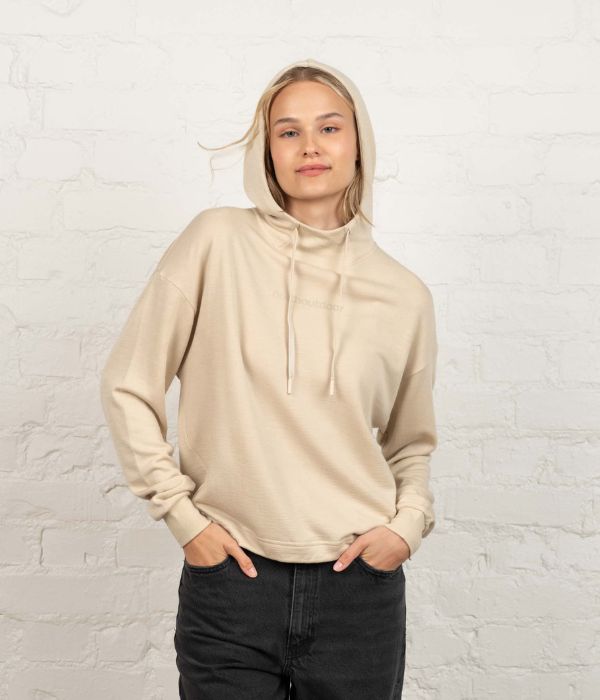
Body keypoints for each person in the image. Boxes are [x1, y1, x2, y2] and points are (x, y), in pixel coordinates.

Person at [100, 57, 438, 699]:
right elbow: (127, 383)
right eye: (288, 131)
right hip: (232, 582)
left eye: (329, 127)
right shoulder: (216, 242)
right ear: (267, 151)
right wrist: (184, 520)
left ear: (359, 143)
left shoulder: (404, 295)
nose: (310, 145)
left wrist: (407, 525)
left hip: (358, 594)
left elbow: (410, 442)